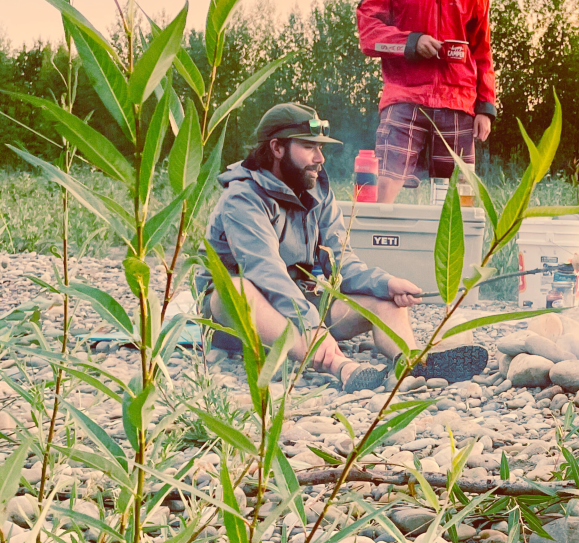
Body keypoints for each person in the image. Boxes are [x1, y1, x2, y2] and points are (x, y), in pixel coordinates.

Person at [196, 103, 489, 390]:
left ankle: (410, 364)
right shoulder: (243, 198)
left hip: (295, 302)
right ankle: (343, 368)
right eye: (309, 147)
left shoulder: (316, 191)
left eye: (320, 148)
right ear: (277, 148)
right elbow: (264, 271)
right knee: (236, 289)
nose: (320, 157)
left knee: (383, 298)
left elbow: (340, 262)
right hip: (236, 316)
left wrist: (385, 283)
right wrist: (312, 326)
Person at [356, 0, 496, 203]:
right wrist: (410, 42)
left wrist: (485, 108)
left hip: (458, 102)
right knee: (386, 183)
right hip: (404, 97)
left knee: (457, 196)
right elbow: (367, 28)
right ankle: (377, 247)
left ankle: (448, 252)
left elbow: (483, 54)